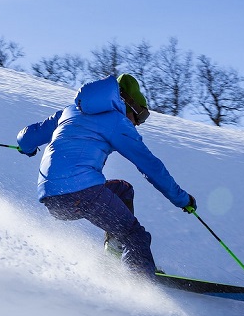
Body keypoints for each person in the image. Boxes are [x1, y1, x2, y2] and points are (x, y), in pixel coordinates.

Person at [16, 74, 196, 278]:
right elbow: (150, 166)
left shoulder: (70, 111)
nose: (137, 124)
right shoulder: (117, 122)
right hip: (82, 192)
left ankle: (113, 255)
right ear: (130, 104)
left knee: (123, 190)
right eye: (141, 116)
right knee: (135, 236)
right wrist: (182, 199)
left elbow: (27, 137)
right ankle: (140, 284)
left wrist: (27, 148)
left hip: (52, 199)